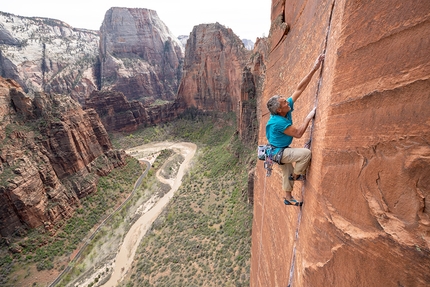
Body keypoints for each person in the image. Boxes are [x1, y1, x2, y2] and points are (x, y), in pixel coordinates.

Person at [265, 54, 324, 206]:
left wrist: (314, 68)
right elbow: (298, 134)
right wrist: (308, 117)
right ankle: (296, 176)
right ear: (279, 110)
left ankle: (288, 197)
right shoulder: (278, 121)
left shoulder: (285, 109)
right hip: (279, 151)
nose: (287, 102)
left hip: (276, 150)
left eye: (285, 100)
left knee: (286, 170)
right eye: (284, 102)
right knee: (305, 154)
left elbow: (299, 88)